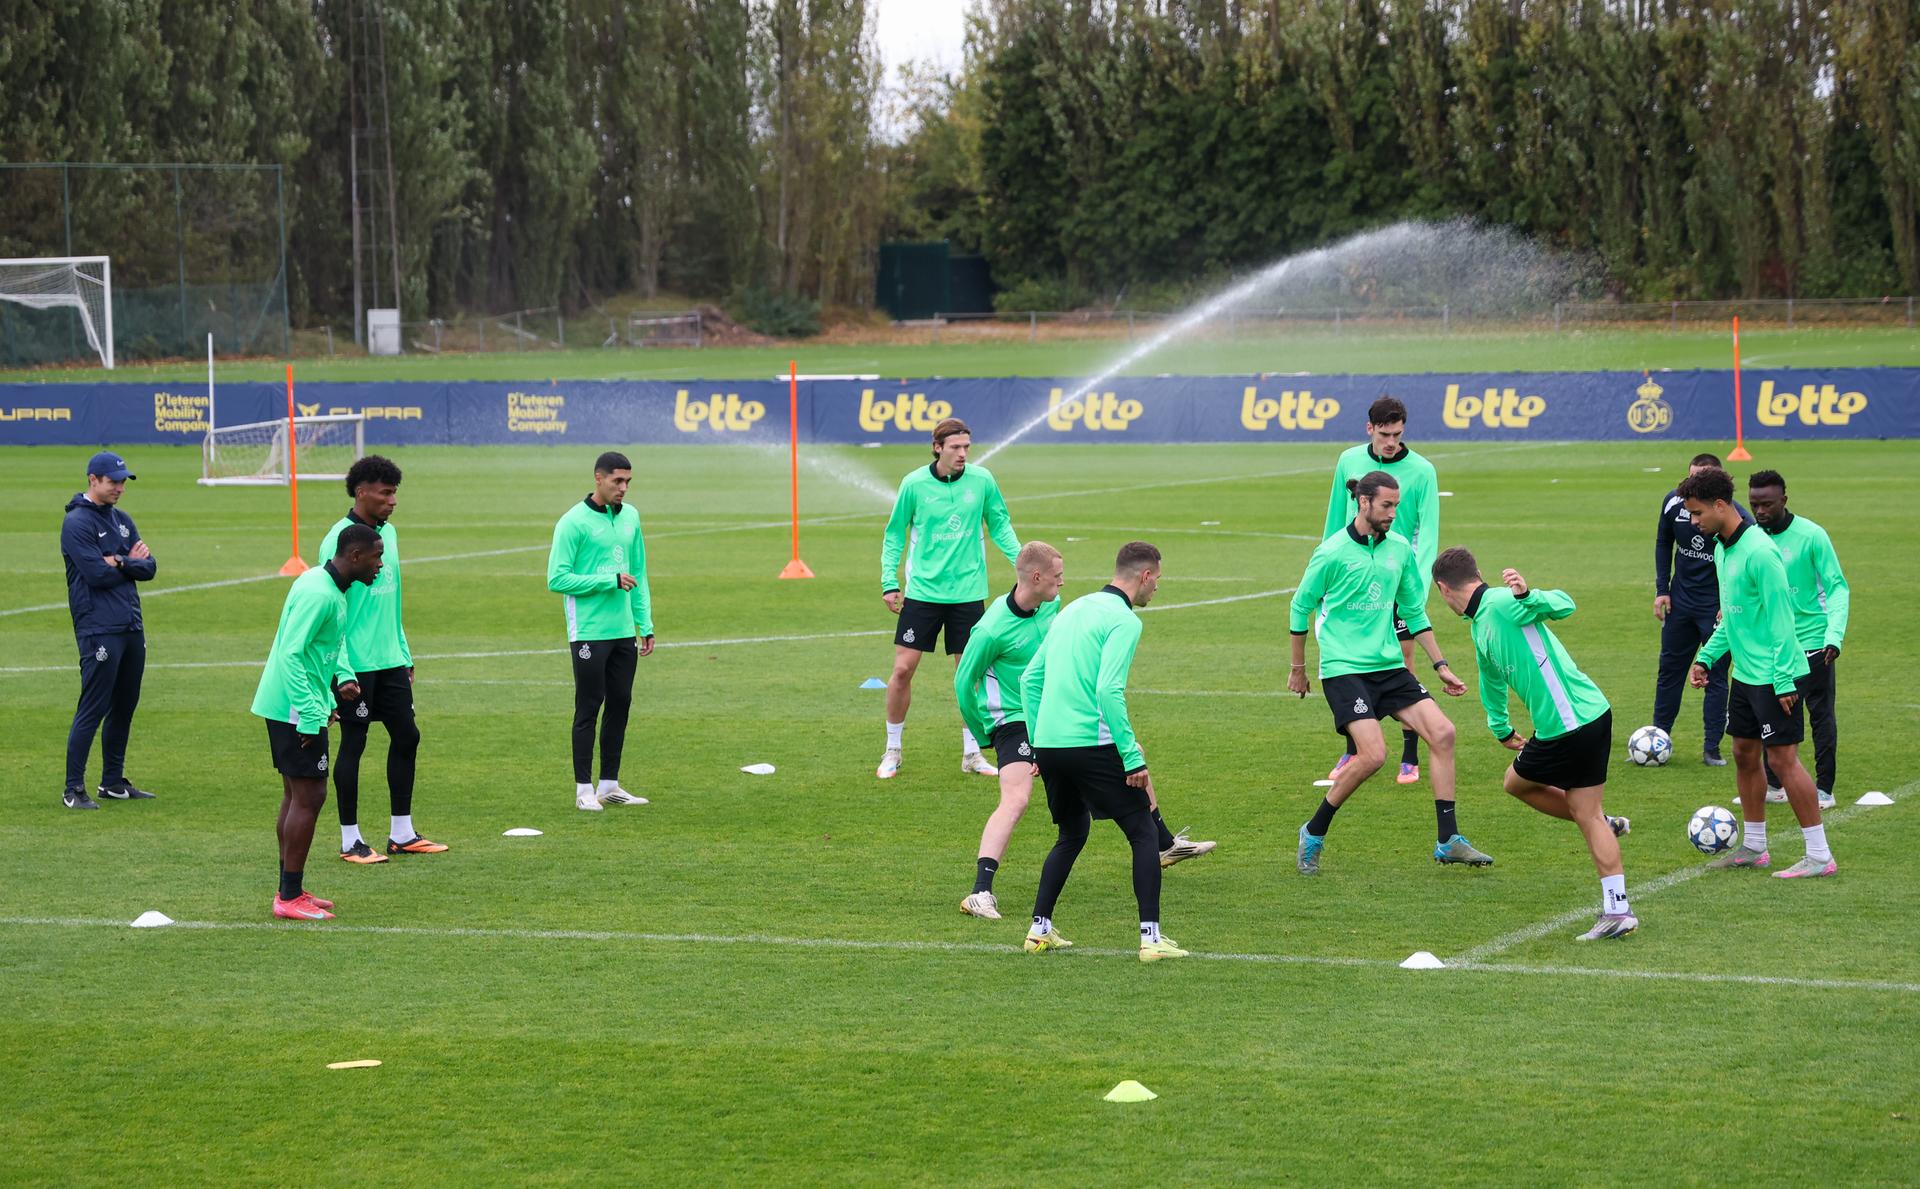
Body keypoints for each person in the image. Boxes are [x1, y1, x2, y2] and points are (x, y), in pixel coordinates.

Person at [953, 542, 1215, 920]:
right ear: (1037, 577)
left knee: (1131, 751)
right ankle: (980, 891)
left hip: (1052, 712)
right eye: (1057, 576)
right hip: (1013, 720)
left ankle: (1163, 843)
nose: (1063, 582)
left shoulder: (1053, 607)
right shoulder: (991, 629)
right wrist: (984, 735)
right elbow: (964, 683)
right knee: (1017, 798)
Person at [1289, 471, 1490, 874]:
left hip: (1389, 667)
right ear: (1363, 502)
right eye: (1387, 505)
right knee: (1374, 755)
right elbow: (1300, 607)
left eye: (1396, 505)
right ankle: (1313, 831)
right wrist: (1298, 668)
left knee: (1443, 733)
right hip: (1344, 668)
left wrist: (1441, 665)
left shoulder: (1399, 549)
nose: (1394, 513)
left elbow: (1413, 610)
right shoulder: (1331, 553)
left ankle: (1448, 840)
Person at [1433, 549, 1636, 940]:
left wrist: (1529, 596)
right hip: (1584, 716)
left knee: (1551, 798)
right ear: (1477, 572)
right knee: (1530, 789)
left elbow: (1564, 604)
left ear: (1443, 589)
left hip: (1570, 723)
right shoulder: (1479, 623)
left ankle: (1617, 904)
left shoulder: (1503, 603)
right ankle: (1611, 872)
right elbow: (1491, 678)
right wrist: (1500, 727)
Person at [1021, 542, 1188, 961]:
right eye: (1157, 580)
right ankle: (1151, 939)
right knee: (1143, 832)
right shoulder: (1124, 621)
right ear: (1145, 576)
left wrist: (1038, 746)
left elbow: (1029, 680)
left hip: (1051, 746)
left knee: (1071, 833)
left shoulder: (1071, 609)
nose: (1157, 588)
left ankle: (1038, 930)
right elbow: (1108, 690)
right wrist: (1132, 757)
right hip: (1091, 744)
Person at [1678, 467, 1835, 879]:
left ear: (1720, 505)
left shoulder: (1760, 553)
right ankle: (1754, 846)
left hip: (1773, 675)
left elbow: (1782, 621)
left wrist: (1783, 680)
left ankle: (1819, 855)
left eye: (1697, 513)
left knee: (1783, 760)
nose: (1693, 522)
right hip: (1745, 676)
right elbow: (1732, 617)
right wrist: (1706, 658)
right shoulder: (1722, 549)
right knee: (1744, 753)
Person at [252, 523, 384, 920]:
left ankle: (289, 888)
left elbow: (327, 644)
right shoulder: (319, 594)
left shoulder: (327, 586)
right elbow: (292, 654)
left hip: (294, 701)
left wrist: (341, 677)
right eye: (376, 557)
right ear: (355, 556)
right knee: (309, 796)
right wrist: (310, 714)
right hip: (295, 707)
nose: (381, 565)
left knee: (296, 796)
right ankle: (288, 897)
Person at [878, 417, 1021, 780]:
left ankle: (972, 753)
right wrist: (889, 581)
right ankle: (893, 749)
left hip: (968, 594)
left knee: (969, 675)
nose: (962, 454)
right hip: (923, 594)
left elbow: (1000, 525)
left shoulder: (982, 480)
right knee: (902, 670)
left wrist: (1022, 563)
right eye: (955, 447)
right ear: (937, 447)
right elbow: (894, 534)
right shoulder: (914, 484)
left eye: (966, 447)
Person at [321, 455, 444, 864]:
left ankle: (402, 833)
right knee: (354, 744)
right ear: (361, 493)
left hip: (390, 660)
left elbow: (392, 601)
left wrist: (404, 653)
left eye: (395, 493)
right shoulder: (338, 540)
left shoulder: (388, 534)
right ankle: (350, 840)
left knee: (407, 736)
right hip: (355, 664)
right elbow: (331, 613)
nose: (393, 501)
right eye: (385, 493)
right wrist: (341, 671)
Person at [1322, 396, 1439, 787]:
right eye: (1385, 434)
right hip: (1352, 582)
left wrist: (1416, 591)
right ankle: (1356, 747)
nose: (1391, 442)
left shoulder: (1422, 471)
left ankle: (1410, 754)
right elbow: (1335, 521)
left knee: (1403, 663)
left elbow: (1428, 532)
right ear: (1369, 428)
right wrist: (1326, 579)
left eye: (1398, 434)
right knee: (1351, 660)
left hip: (1397, 582)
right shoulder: (1348, 461)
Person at [548, 451, 655, 811]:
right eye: (617, 481)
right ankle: (584, 789)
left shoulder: (631, 517)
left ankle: (609, 785)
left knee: (620, 703)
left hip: (623, 631)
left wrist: (644, 623)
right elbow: (557, 579)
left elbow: (639, 573)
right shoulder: (573, 522)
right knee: (588, 707)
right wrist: (608, 580)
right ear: (599, 478)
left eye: (628, 482)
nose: (623, 488)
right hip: (589, 632)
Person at [61, 451, 157, 810]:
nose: (120, 487)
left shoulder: (122, 520)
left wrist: (118, 559)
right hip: (98, 627)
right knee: (94, 706)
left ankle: (112, 783)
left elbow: (150, 568)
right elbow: (95, 575)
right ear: (93, 480)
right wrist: (129, 563)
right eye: (113, 481)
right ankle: (73, 789)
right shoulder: (77, 523)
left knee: (125, 704)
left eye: (123, 481)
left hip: (131, 624)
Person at [1748, 470, 1848, 810]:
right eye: (1754, 504)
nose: (1760, 511)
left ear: (1784, 500)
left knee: (1820, 716)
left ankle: (1824, 788)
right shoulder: (1751, 539)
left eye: (1767, 504)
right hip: (1773, 647)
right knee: (1770, 714)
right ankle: (1774, 785)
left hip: (1814, 644)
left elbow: (1837, 587)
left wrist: (1834, 636)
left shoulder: (1812, 535)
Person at [1653, 452, 1751, 766]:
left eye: (1702, 478)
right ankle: (1657, 741)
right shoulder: (1673, 502)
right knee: (1670, 671)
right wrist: (1662, 590)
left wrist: (1728, 602)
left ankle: (1712, 748)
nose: (1694, 485)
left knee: (1716, 675)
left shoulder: (1738, 520)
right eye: (1692, 477)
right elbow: (1663, 542)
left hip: (1715, 608)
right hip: (1680, 602)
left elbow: (1742, 568)